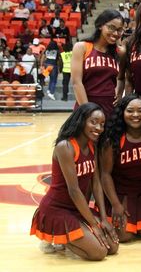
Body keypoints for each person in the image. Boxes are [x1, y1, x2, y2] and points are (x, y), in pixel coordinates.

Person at [30, 103, 119, 260]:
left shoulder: (92, 145)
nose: (99, 127)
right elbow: (74, 190)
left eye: (102, 124)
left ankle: (71, 237)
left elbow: (96, 182)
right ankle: (57, 236)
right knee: (99, 253)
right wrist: (93, 225)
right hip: (57, 209)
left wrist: (104, 219)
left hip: (77, 208)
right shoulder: (65, 146)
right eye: (93, 122)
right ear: (81, 121)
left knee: (113, 247)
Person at [101, 95, 141, 242]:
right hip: (122, 191)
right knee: (123, 237)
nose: (135, 115)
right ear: (122, 113)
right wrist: (115, 204)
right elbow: (105, 175)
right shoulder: (113, 139)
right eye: (130, 111)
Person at [71, 9, 124, 118]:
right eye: (111, 28)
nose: (115, 33)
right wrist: (88, 112)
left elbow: (122, 78)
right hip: (86, 107)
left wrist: (119, 93)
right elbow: (77, 83)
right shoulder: (82, 47)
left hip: (110, 109)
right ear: (100, 26)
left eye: (119, 30)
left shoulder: (120, 52)